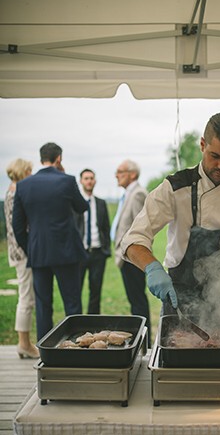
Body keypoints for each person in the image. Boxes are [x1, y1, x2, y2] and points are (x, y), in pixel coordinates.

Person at [121, 112, 220, 327]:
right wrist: (152, 268)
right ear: (202, 145)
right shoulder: (175, 188)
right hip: (179, 300)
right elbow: (133, 239)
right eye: (215, 156)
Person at [12, 142, 88, 340]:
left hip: (38, 253)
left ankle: (45, 351)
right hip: (67, 253)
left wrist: (31, 248)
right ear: (59, 159)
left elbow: (17, 227)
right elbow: (81, 207)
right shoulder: (67, 180)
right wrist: (65, 176)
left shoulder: (23, 185)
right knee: (72, 303)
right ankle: (76, 347)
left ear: (41, 159)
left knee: (43, 305)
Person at [112, 159, 151, 344]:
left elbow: (140, 229)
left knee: (138, 302)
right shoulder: (128, 193)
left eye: (120, 171)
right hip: (125, 256)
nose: (116, 175)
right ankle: (141, 340)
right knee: (135, 301)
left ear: (132, 174)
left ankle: (144, 342)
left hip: (133, 256)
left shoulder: (138, 194)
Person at [5, 159, 39, 358]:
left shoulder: (12, 190)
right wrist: (29, 251)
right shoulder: (16, 192)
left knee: (26, 296)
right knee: (26, 298)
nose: (32, 173)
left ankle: (24, 342)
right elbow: (18, 227)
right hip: (23, 253)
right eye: (29, 170)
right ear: (23, 171)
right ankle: (24, 344)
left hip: (17, 251)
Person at [76, 168, 111, 314]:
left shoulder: (101, 203)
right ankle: (75, 322)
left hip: (98, 253)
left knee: (95, 292)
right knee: (75, 291)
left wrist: (106, 249)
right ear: (81, 181)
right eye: (86, 178)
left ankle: (93, 323)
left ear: (95, 181)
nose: (89, 181)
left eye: (91, 178)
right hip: (79, 253)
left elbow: (106, 228)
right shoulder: (76, 203)